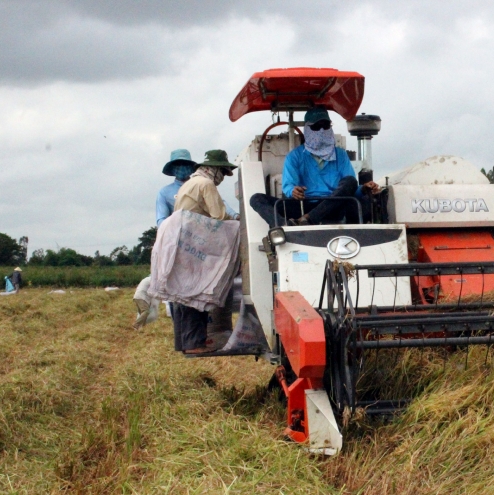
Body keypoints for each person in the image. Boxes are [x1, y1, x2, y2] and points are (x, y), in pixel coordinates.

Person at [249, 107, 380, 226]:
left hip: (334, 206)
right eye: (316, 127)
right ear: (307, 129)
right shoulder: (295, 156)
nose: (322, 130)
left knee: (351, 181)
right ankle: (285, 226)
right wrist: (293, 191)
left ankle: (308, 219)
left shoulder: (341, 155)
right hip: (302, 205)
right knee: (256, 199)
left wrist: (363, 188)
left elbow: (349, 188)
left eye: (326, 125)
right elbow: (288, 187)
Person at [171, 149, 238, 354]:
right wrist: (238, 223)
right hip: (195, 245)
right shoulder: (206, 184)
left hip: (183, 242)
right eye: (223, 173)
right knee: (196, 295)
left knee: (183, 294)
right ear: (215, 170)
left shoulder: (190, 183)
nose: (222, 179)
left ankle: (185, 343)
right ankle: (194, 344)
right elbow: (218, 215)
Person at [156, 149, 237, 228]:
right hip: (190, 231)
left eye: (185, 164)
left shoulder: (192, 184)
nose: (182, 167)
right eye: (178, 164)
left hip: (191, 231)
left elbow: (219, 203)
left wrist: (235, 215)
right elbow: (219, 215)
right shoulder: (205, 184)